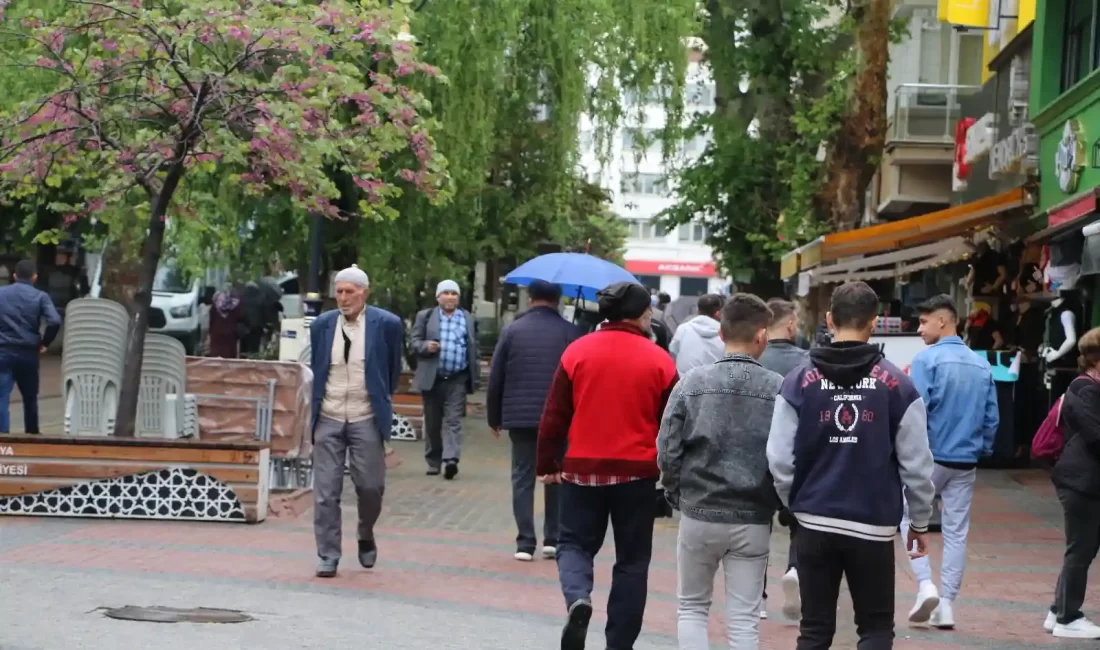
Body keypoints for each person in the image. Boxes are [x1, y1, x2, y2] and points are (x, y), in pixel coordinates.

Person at [767, 281, 936, 650]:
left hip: (814, 520)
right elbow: (918, 466)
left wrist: (794, 503)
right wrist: (920, 522)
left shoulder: (798, 382)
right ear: (874, 323)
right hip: (873, 525)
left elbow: (778, 457)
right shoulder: (899, 385)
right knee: (875, 629)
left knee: (814, 630)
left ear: (829, 319)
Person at [537, 281, 678, 650]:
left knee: (573, 544)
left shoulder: (576, 352)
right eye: (648, 310)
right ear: (640, 314)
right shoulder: (660, 360)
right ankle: (619, 643)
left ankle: (578, 598)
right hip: (639, 473)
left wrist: (548, 462)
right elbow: (672, 424)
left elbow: (554, 414)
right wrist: (670, 472)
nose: (651, 316)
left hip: (582, 469)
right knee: (632, 561)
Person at [658, 293, 782, 650]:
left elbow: (668, 445)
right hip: (753, 516)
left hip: (699, 511)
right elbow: (789, 454)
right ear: (761, 335)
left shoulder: (692, 383)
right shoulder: (778, 388)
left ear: (722, 333)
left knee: (692, 608)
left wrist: (675, 492)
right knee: (744, 618)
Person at [901, 295, 998, 628]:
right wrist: (980, 448)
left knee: (908, 518)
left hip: (930, 457)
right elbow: (991, 418)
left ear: (943, 321)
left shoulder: (927, 361)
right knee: (957, 531)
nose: (919, 329)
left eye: (924, 321)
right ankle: (948, 604)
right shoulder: (981, 364)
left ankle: (925, 583)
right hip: (965, 461)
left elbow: (916, 411)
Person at [309, 265, 404, 578]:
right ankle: (328, 554)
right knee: (325, 492)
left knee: (371, 487)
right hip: (329, 416)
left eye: (350, 291)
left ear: (365, 292)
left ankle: (365, 532)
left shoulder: (387, 324)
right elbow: (318, 370)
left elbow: (389, 374)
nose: (343, 297)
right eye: (339, 291)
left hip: (366, 415)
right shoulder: (322, 325)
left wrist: (380, 405)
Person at [487, 280, 582, 562]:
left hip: (520, 416)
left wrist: (495, 417)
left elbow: (496, 377)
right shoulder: (571, 332)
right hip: (559, 418)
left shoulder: (512, 330)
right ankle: (552, 539)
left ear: (530, 298)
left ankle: (524, 542)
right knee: (556, 475)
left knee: (522, 477)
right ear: (558, 300)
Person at [1044, 327, 1100, 639]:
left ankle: (1058, 610)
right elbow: (1096, 436)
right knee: (1080, 549)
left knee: (1082, 548)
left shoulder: (1089, 387)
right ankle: (1068, 616)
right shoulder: (1086, 389)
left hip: (1084, 481)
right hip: (1080, 482)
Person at [758, 297, 811, 621]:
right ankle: (794, 568)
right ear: (790, 324)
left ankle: (758, 596)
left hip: (756, 454)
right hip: (797, 454)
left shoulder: (755, 358)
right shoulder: (808, 362)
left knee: (757, 525)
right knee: (800, 521)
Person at [411, 279, 480, 479]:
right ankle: (433, 461)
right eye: (446, 293)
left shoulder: (468, 318)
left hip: (457, 378)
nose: (450, 297)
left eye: (454, 294)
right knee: (432, 423)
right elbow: (413, 342)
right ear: (438, 296)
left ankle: (451, 460)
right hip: (432, 377)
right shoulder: (426, 316)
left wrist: (473, 373)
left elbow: (473, 346)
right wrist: (426, 346)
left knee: (453, 420)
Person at [0, 260, 61, 434]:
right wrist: (45, 343)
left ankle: (3, 440)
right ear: (34, 277)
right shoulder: (41, 296)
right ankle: (32, 436)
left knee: (1, 398)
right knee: (30, 398)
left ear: (14, 276)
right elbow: (55, 321)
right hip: (28, 353)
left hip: (3, 351)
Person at [668, 293, 725, 375]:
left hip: (685, 382)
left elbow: (673, 351)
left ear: (697, 309)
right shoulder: (726, 334)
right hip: (714, 384)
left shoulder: (683, 329)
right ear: (718, 313)